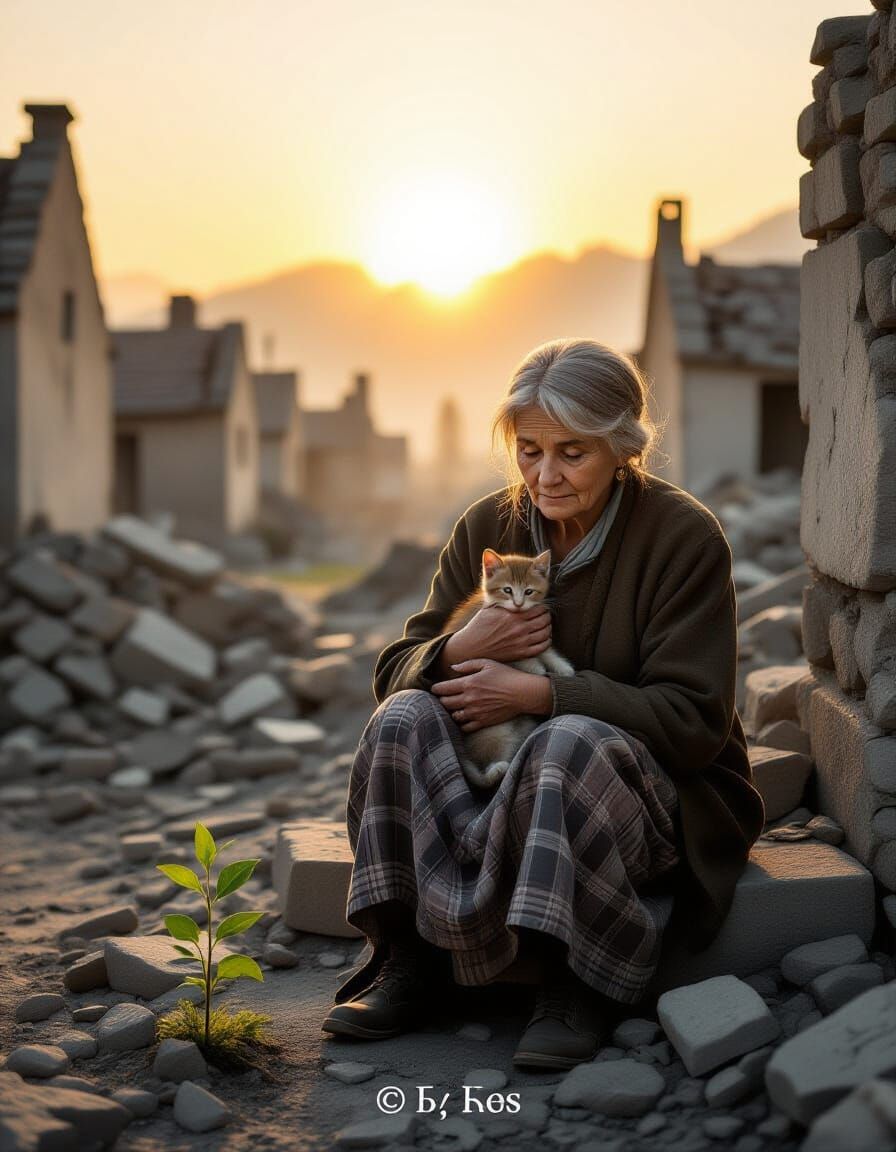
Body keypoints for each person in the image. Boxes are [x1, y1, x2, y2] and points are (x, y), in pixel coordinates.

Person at [320, 337, 765, 1070]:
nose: (545, 475)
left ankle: (577, 974)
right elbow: (395, 670)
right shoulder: (487, 529)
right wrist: (461, 650)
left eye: (572, 453)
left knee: (568, 740)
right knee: (401, 718)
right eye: (529, 450)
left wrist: (541, 692)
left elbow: (693, 725)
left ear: (622, 446)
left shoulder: (682, 537)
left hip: (647, 799)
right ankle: (413, 957)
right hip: (498, 786)